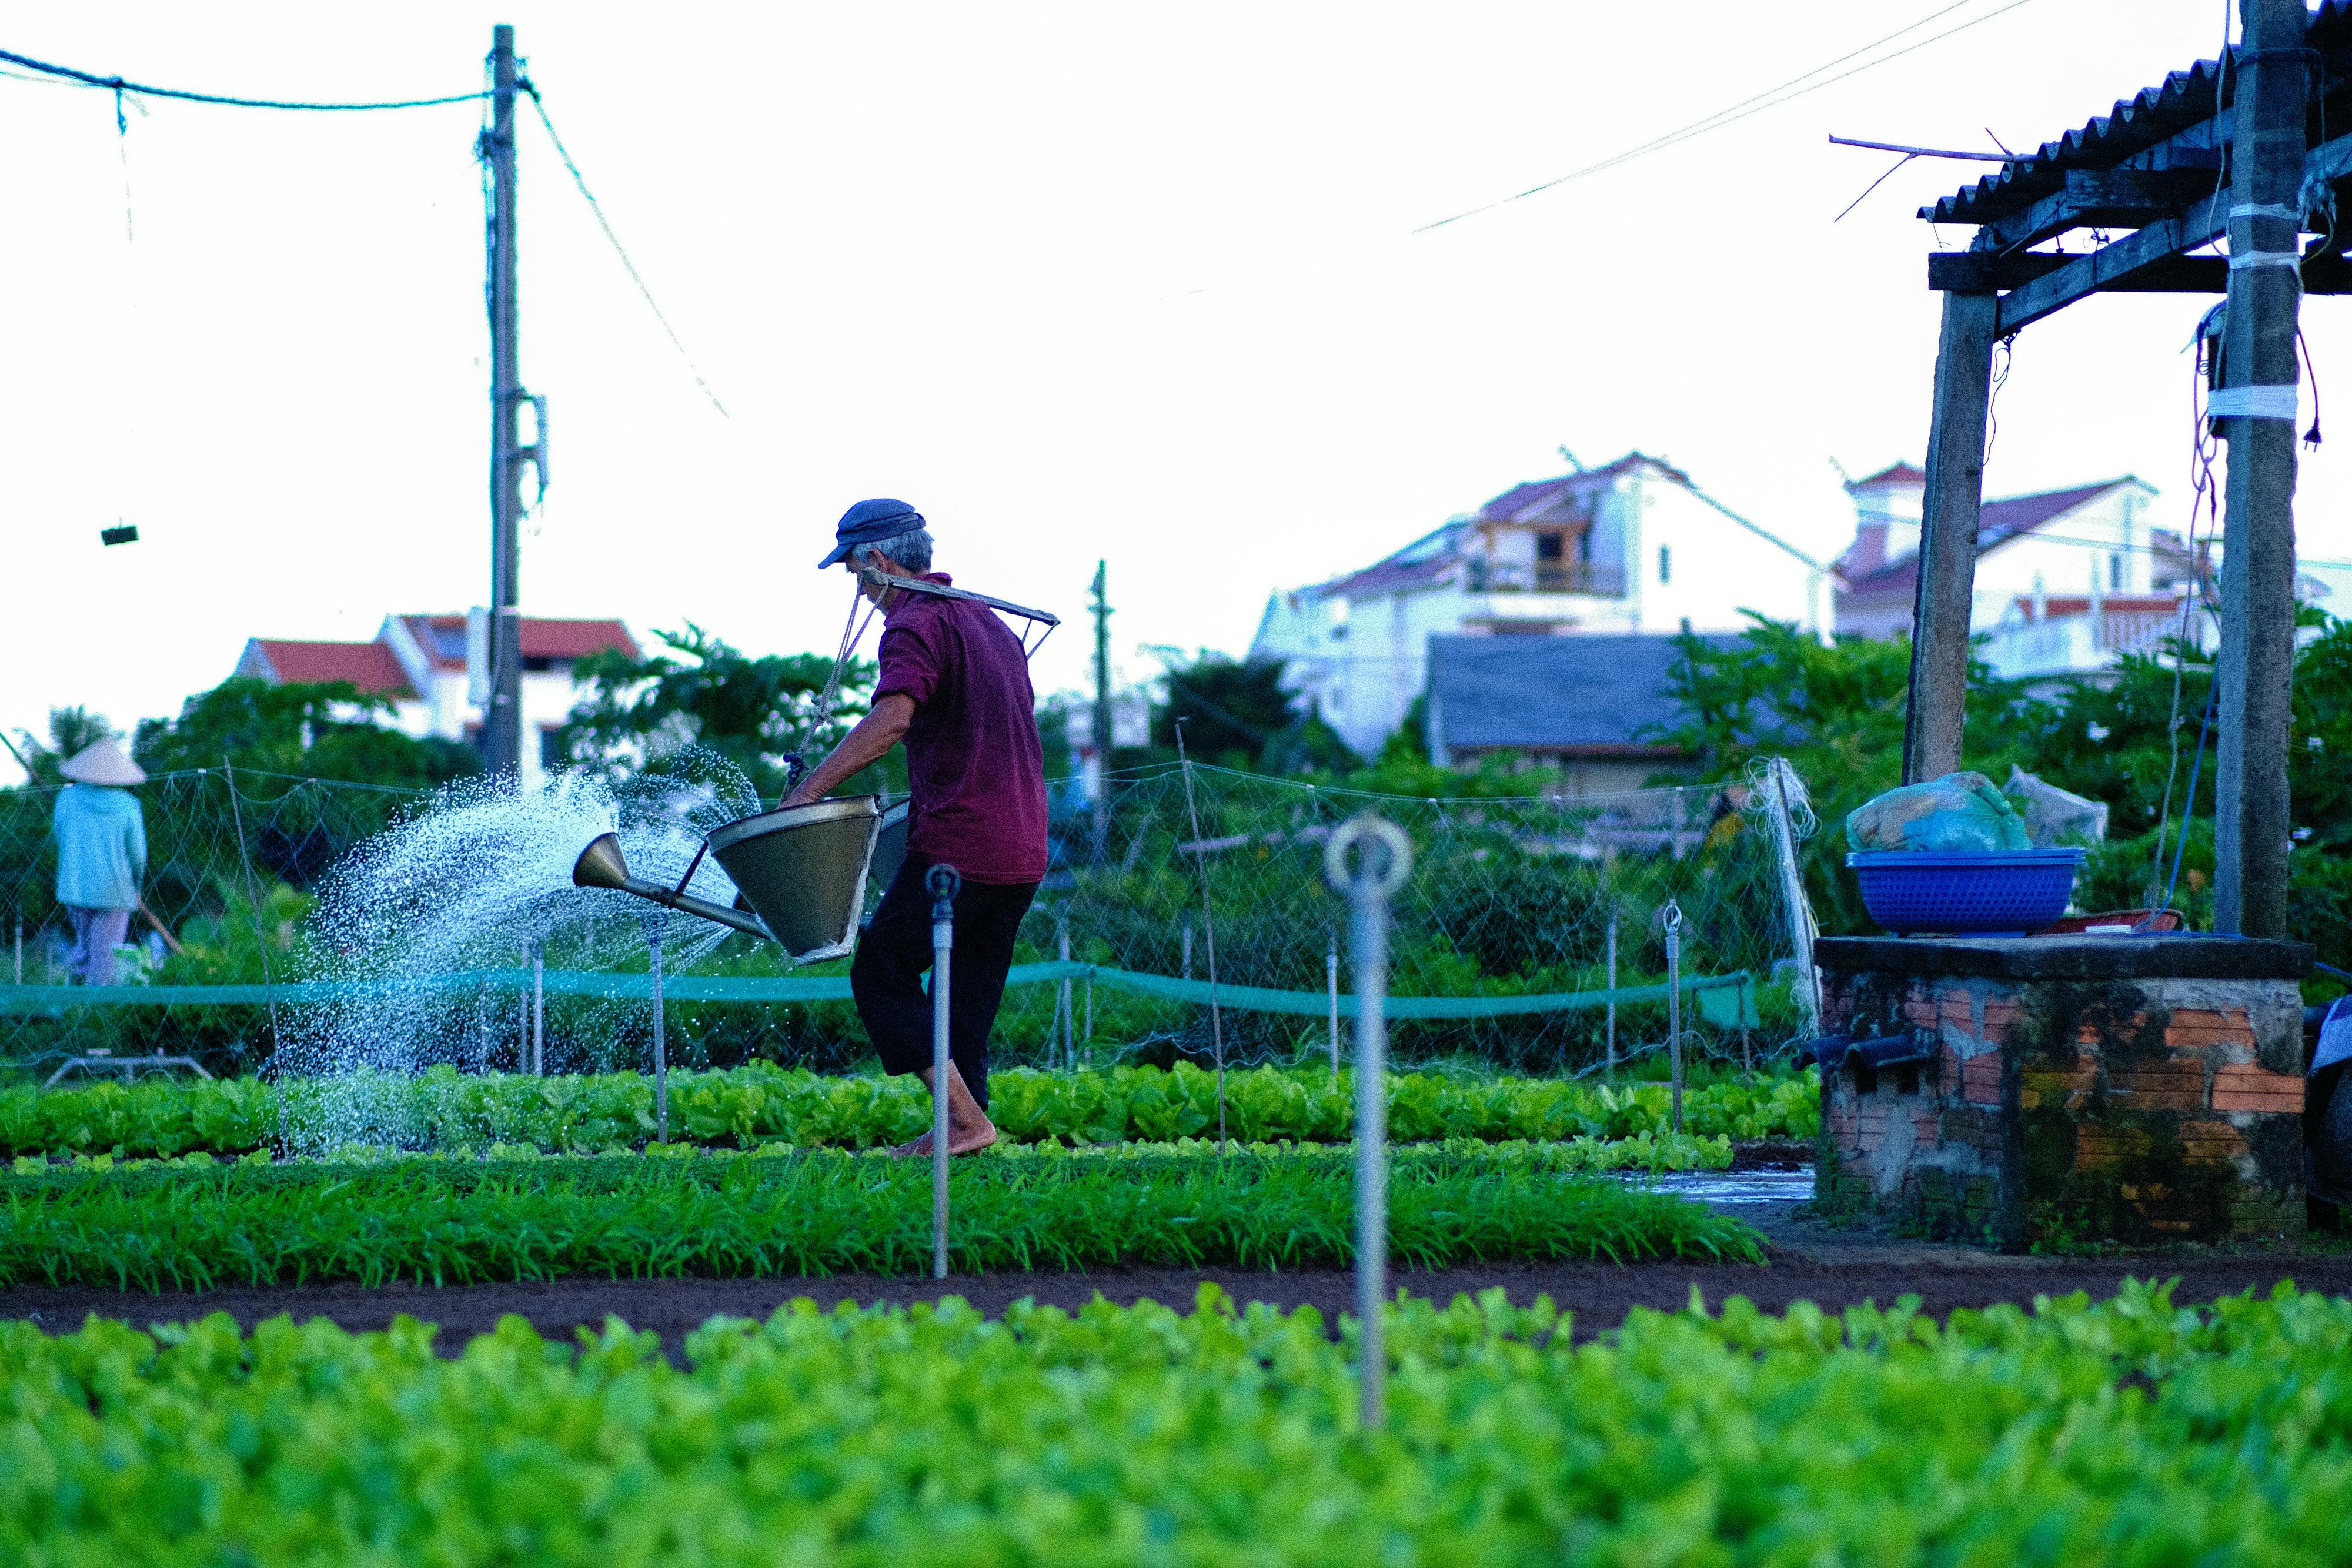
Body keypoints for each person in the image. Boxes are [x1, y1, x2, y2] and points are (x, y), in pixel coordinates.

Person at [781, 499, 1047, 1156]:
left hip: (960, 848)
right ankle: (965, 1128)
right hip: (1022, 848)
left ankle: (965, 1122)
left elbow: (894, 719)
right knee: (965, 994)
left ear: (878, 559)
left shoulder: (914, 624)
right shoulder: (987, 622)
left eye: (854, 572)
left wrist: (809, 791)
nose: (860, 590)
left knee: (880, 972)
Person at [51, 736, 149, 986]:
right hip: (115, 892)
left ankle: (74, 1002)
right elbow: (138, 855)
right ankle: (95, 1016)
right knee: (105, 962)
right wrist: (136, 887)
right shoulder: (129, 806)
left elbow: (59, 837)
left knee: (85, 949)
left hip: (75, 888)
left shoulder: (66, 799)